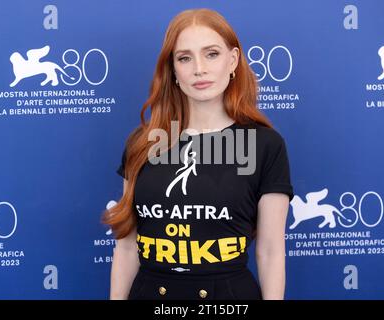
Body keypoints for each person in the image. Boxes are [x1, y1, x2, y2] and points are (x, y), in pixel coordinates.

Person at [103, 8, 294, 300]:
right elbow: (128, 247)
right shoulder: (143, 144)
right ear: (173, 70)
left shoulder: (265, 145)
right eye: (185, 58)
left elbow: (270, 251)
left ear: (233, 61)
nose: (199, 69)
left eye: (211, 54)